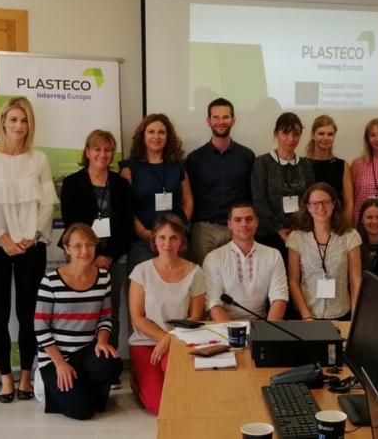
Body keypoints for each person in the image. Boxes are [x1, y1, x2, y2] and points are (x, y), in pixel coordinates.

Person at [0, 96, 57, 403]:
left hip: (31, 245)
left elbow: (47, 204)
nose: (19, 125)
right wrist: (3, 238)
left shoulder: (39, 159)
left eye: (25, 120)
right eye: (14, 119)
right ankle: (5, 377)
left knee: (29, 314)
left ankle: (26, 377)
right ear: (3, 121)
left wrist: (32, 236)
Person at [59, 129, 133, 381]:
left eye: (108, 149)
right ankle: (81, 365)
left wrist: (108, 256)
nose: (103, 154)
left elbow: (125, 225)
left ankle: (108, 367)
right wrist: (93, 256)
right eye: (97, 149)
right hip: (81, 258)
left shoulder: (121, 185)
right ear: (88, 152)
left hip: (116, 258)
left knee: (111, 312)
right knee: (82, 311)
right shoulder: (72, 183)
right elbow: (71, 225)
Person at [34, 223, 123, 420]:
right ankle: (48, 382)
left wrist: (102, 341)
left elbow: (105, 318)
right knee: (82, 411)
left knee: (112, 365)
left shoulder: (103, 278)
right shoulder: (50, 281)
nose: (85, 251)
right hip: (56, 356)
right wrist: (60, 364)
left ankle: (78, 386)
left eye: (89, 245)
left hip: (86, 351)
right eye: (77, 246)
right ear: (67, 248)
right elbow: (40, 327)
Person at [128, 213, 205, 415]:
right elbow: (137, 317)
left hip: (179, 342)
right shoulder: (141, 271)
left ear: (181, 242)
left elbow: (195, 316)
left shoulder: (195, 272)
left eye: (173, 238)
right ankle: (138, 379)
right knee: (159, 406)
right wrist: (164, 338)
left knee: (180, 396)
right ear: (154, 240)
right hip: (145, 343)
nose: (167, 243)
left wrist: (170, 339)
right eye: (162, 237)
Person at [185, 97, 255, 264]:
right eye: (216, 117)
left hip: (238, 228)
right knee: (204, 276)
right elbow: (188, 196)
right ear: (208, 121)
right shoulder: (194, 159)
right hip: (204, 230)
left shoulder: (247, 156)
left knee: (238, 275)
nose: (221, 122)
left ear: (233, 120)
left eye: (225, 117)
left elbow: (251, 194)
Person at [120, 113, 193, 273]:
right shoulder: (129, 168)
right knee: (142, 286)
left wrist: (179, 229)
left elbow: (188, 201)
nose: (156, 136)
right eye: (151, 132)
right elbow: (126, 207)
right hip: (142, 242)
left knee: (178, 284)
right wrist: (142, 232)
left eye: (161, 132)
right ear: (142, 136)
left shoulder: (178, 166)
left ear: (168, 136)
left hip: (175, 241)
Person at [286, 182, 362, 321]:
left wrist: (356, 317)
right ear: (308, 207)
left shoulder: (350, 236)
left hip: (341, 312)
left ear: (333, 205)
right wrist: (306, 315)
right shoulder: (296, 238)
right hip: (307, 315)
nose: (321, 208)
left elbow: (355, 280)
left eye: (326, 202)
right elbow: (293, 281)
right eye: (315, 203)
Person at [203, 202, 289, 321]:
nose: (244, 224)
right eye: (238, 220)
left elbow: (279, 297)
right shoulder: (213, 258)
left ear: (257, 222)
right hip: (224, 326)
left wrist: (268, 330)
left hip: (261, 325)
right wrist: (233, 331)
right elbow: (213, 303)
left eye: (249, 219)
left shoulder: (273, 255)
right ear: (229, 224)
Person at [251, 112, 315, 261]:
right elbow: (259, 200)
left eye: (296, 134)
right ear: (276, 134)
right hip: (269, 235)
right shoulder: (262, 163)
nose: (291, 139)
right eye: (285, 133)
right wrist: (279, 229)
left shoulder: (306, 165)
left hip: (300, 234)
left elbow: (311, 199)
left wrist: (299, 228)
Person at [305, 115, 354, 222]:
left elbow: (349, 204)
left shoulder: (343, 165)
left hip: (336, 224)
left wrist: (345, 228)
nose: (326, 138)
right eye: (321, 133)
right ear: (313, 135)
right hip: (308, 225)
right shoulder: (302, 164)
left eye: (330, 134)